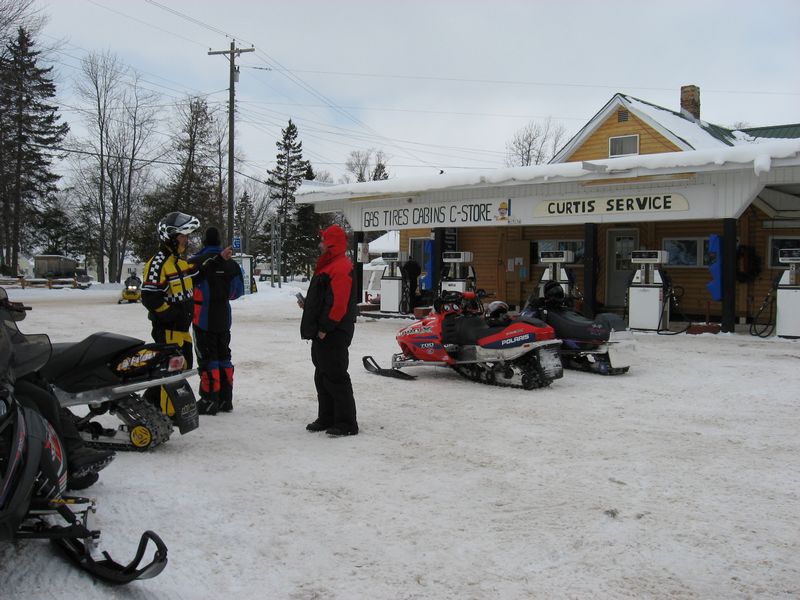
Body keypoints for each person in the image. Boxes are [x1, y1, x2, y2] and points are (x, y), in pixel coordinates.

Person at [141, 212, 232, 413]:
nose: (186, 240)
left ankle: (151, 404)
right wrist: (169, 315)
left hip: (182, 329)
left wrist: (218, 260)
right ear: (171, 237)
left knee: (182, 367)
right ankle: (167, 412)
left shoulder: (180, 263)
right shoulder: (158, 263)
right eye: (183, 236)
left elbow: (197, 275)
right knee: (170, 371)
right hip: (168, 330)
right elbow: (149, 297)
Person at [298, 224, 359, 437]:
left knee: (335, 376)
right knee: (322, 375)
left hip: (334, 331)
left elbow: (339, 304)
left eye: (323, 240)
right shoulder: (329, 264)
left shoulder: (340, 266)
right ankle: (327, 417)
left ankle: (346, 423)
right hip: (324, 331)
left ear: (331, 243)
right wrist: (309, 305)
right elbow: (326, 298)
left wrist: (326, 327)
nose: (320, 244)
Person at [189, 226, 244, 415]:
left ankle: (209, 399)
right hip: (223, 316)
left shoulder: (195, 261)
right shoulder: (232, 264)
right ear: (219, 241)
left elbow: (187, 286)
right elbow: (237, 292)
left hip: (202, 316)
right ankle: (225, 399)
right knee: (224, 356)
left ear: (204, 241)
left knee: (207, 358)